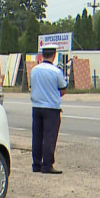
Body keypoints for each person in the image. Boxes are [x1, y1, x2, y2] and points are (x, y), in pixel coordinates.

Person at [30, 44, 68, 174]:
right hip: (51, 108)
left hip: (36, 107)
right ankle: (47, 165)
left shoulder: (34, 70)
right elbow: (63, 89)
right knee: (49, 137)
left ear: (42, 55)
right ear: (54, 55)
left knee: (37, 136)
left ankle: (36, 164)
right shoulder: (56, 71)